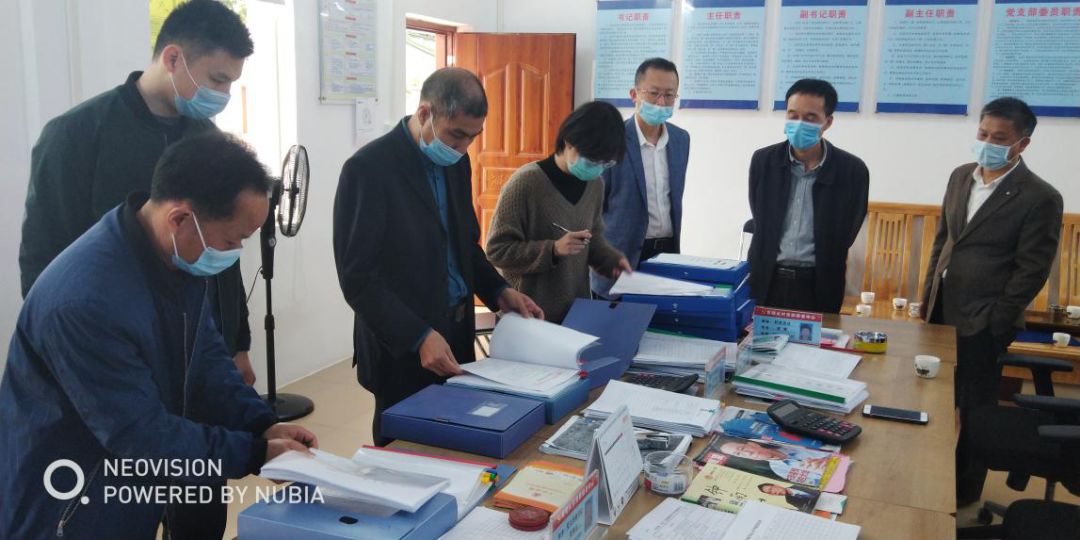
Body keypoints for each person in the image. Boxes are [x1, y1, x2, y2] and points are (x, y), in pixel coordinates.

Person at [0, 133, 317, 540]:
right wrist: (255, 454)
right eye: (232, 240)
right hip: (68, 501)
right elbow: (139, 434)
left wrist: (262, 425)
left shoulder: (176, 258)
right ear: (180, 219)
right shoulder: (85, 302)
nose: (235, 251)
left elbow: (206, 362)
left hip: (129, 481)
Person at [18, 0, 257, 385]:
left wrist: (237, 342)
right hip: (110, 344)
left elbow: (225, 248)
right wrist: (61, 352)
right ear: (173, 58)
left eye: (231, 82)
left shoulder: (209, 141)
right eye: (217, 80)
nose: (224, 94)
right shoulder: (78, 135)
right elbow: (44, 256)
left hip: (199, 344)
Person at [334, 67, 544, 444]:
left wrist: (499, 291)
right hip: (400, 344)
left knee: (456, 443)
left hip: (455, 331)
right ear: (425, 113)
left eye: (473, 137)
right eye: (456, 134)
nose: (463, 147)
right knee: (405, 450)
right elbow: (358, 279)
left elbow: (465, 246)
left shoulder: (456, 163)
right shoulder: (368, 169)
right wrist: (418, 336)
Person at [920, 97, 1063, 505]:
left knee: (974, 410)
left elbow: (1032, 269)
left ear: (1022, 143)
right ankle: (928, 479)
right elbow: (943, 241)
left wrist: (997, 320)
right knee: (932, 399)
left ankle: (964, 492)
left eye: (999, 138)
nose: (987, 143)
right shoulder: (960, 176)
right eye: (982, 133)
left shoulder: (1040, 196)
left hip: (984, 320)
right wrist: (926, 297)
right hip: (941, 309)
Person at [486, 101, 633, 323]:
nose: (598, 168)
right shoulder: (526, 183)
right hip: (529, 314)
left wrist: (611, 260)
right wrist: (552, 250)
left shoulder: (595, 184)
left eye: (606, 163)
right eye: (593, 160)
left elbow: (591, 239)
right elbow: (496, 251)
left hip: (576, 313)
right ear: (569, 142)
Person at [747, 79, 869, 313]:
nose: (799, 123)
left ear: (827, 122)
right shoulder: (764, 161)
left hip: (819, 285)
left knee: (818, 337)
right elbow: (760, 217)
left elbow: (847, 231)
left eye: (810, 118)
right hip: (766, 280)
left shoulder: (852, 171)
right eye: (793, 115)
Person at [592, 58, 690, 298]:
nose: (661, 102)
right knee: (619, 321)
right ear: (634, 94)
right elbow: (593, 207)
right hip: (619, 256)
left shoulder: (681, 139)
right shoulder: (611, 139)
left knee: (662, 319)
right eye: (653, 93)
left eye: (669, 95)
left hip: (666, 253)